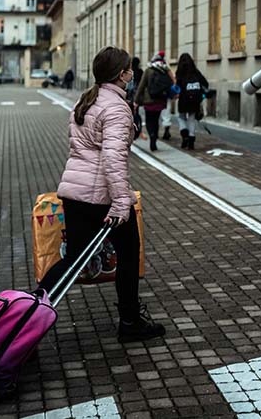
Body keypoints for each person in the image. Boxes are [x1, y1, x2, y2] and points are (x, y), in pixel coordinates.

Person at [38, 46, 166, 342]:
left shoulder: (86, 100)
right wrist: (122, 202)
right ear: (122, 75)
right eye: (130, 70)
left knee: (73, 260)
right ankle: (131, 322)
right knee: (129, 254)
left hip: (74, 193)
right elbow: (112, 159)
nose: (133, 75)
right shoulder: (116, 108)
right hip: (102, 198)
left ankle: (30, 308)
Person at [134, 51, 175, 152]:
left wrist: (136, 100)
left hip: (149, 100)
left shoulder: (148, 70)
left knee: (149, 120)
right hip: (160, 100)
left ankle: (152, 135)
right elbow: (172, 83)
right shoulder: (165, 70)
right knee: (156, 120)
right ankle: (155, 137)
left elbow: (141, 86)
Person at [174, 53, 208, 150]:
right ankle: (191, 138)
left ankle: (184, 133)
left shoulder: (180, 72)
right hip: (195, 100)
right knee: (192, 118)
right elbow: (205, 83)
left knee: (181, 117)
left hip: (184, 99)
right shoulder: (195, 72)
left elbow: (177, 87)